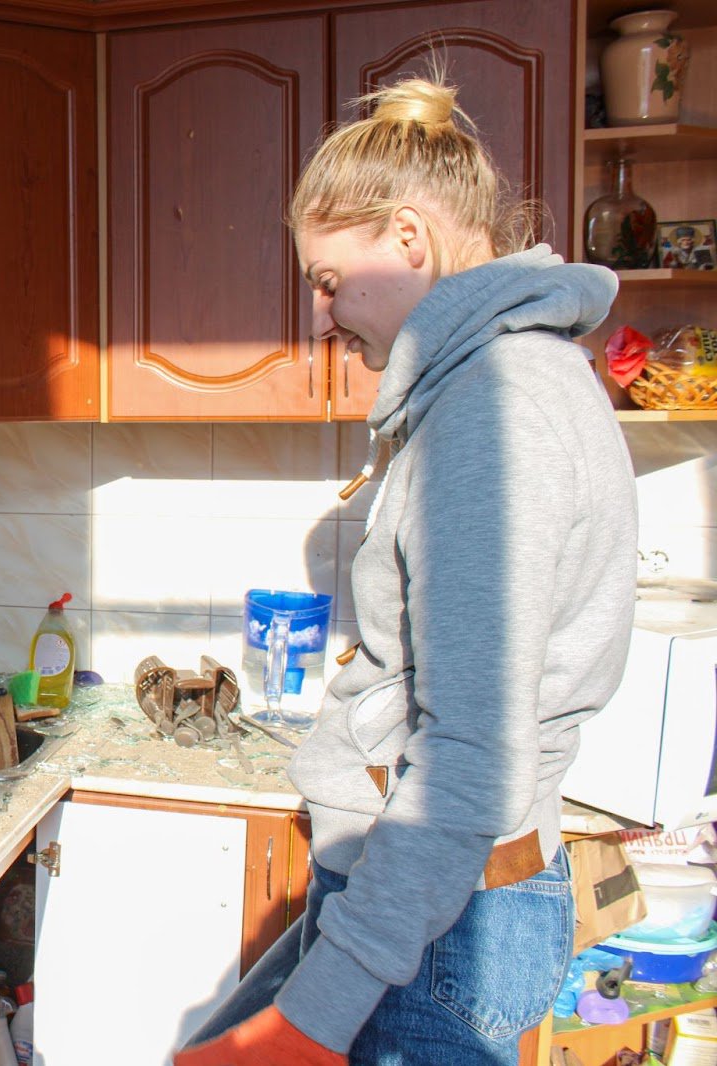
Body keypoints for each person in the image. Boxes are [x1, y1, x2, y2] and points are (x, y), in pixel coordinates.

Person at [174, 76, 638, 1066]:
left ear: (410, 241)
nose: (317, 313)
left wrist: (310, 1015)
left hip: (440, 924)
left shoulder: (493, 412)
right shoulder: (512, 379)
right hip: (439, 908)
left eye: (330, 280)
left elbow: (468, 759)